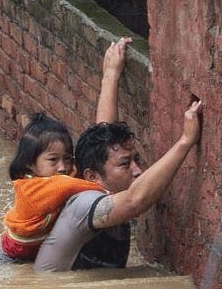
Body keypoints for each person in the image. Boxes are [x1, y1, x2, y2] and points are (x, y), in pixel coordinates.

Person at [33, 38, 204, 272]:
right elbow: (136, 201)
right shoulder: (84, 204)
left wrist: (111, 76)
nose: (138, 170)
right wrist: (185, 142)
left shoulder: (100, 181)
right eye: (126, 164)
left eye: (136, 160)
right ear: (93, 177)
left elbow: (105, 138)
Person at [0, 113, 104, 274]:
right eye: (53, 160)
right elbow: (68, 185)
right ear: (30, 164)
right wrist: (105, 190)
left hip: (33, 254)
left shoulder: (62, 178)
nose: (62, 167)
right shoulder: (31, 189)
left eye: (67, 159)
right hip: (6, 260)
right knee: (20, 286)